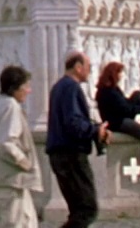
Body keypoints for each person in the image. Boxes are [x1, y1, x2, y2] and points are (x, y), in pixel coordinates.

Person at [46, 51, 110, 228]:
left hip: (60, 153)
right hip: (71, 154)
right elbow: (73, 123)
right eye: (88, 67)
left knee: (77, 208)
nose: (90, 71)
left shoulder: (59, 87)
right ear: (78, 67)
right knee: (87, 208)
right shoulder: (71, 88)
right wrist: (95, 131)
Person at [94, 60, 140, 190]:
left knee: (138, 95)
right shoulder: (108, 92)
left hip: (121, 117)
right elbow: (124, 109)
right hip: (117, 122)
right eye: (120, 73)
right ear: (114, 74)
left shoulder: (113, 89)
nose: (122, 76)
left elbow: (125, 104)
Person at [0, 65, 43, 228]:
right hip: (12, 178)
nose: (28, 91)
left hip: (5, 178)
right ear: (14, 88)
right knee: (20, 223)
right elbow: (5, 143)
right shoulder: (11, 107)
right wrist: (25, 162)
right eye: (25, 87)